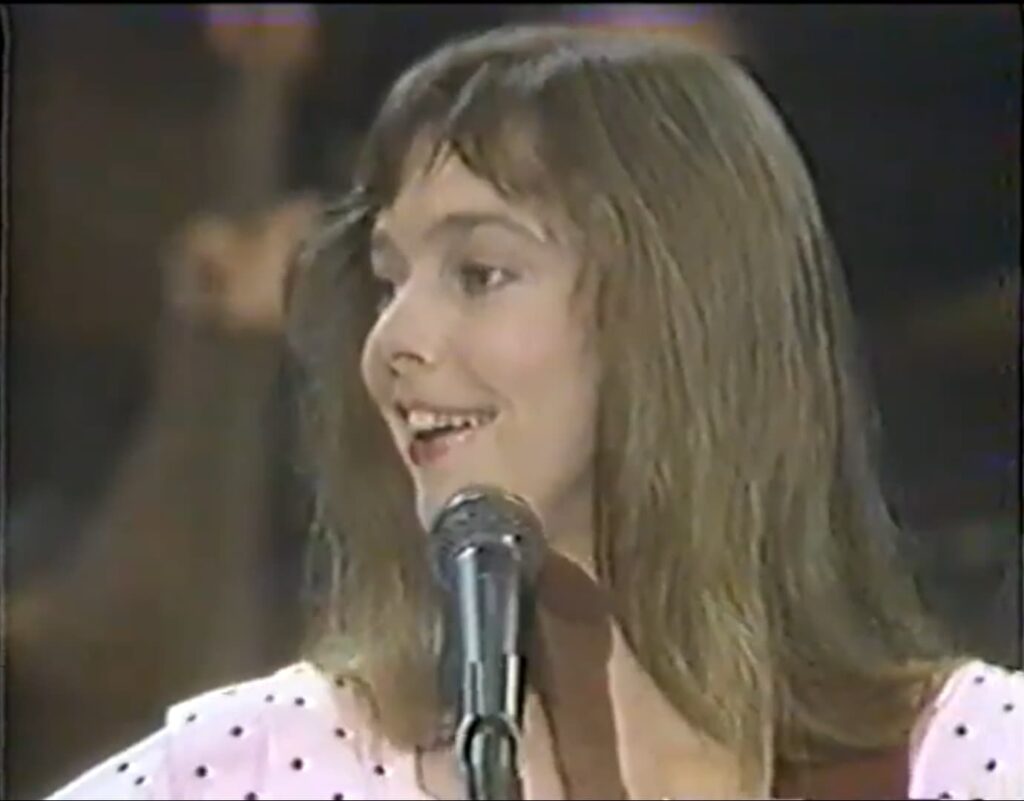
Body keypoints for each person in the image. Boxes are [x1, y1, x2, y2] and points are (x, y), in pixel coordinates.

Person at [46, 23, 1023, 801]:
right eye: (387, 280)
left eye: (480, 272)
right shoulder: (261, 764)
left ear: (676, 316)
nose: (392, 341)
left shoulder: (973, 759)